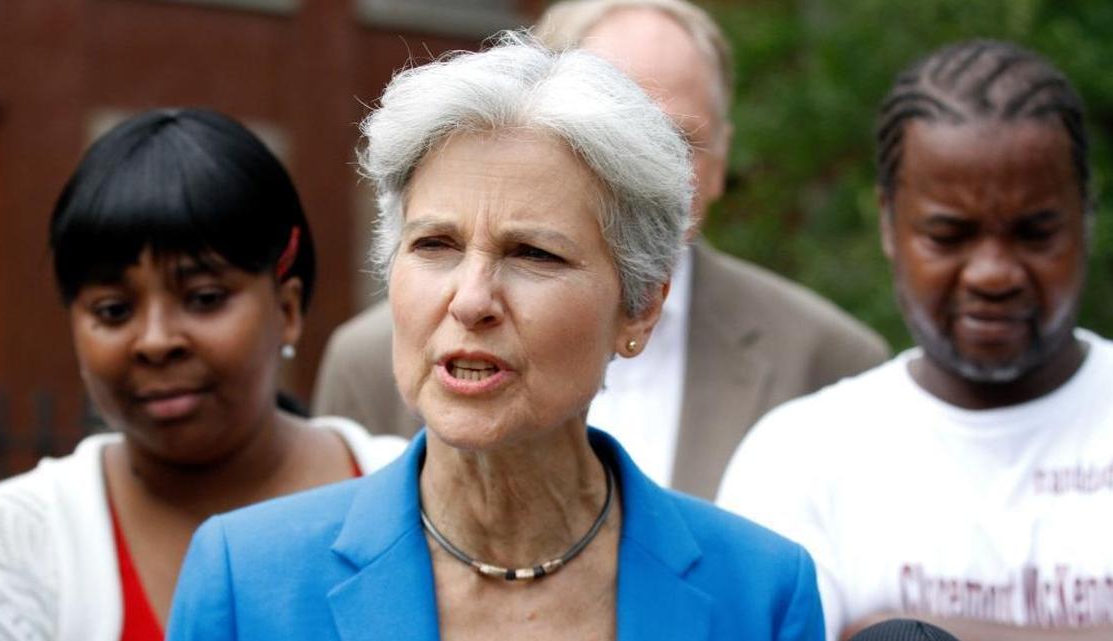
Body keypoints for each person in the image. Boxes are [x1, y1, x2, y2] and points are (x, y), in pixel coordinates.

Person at [167, 34, 825, 641]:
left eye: (534, 253)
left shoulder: (760, 591)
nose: (472, 298)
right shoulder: (246, 581)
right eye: (435, 244)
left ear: (641, 308)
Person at [312, 0, 889, 500]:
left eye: (675, 140)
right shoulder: (370, 357)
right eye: (609, 136)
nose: (647, 172)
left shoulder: (829, 359)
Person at [717, 40, 1113, 641]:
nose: (993, 273)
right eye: (949, 234)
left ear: (1085, 218)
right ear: (888, 222)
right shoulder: (800, 457)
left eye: (1034, 232)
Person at [0, 108, 406, 641]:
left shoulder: (411, 496)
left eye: (204, 298)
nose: (156, 341)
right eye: (113, 310)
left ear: (287, 310)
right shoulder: (9, 542)